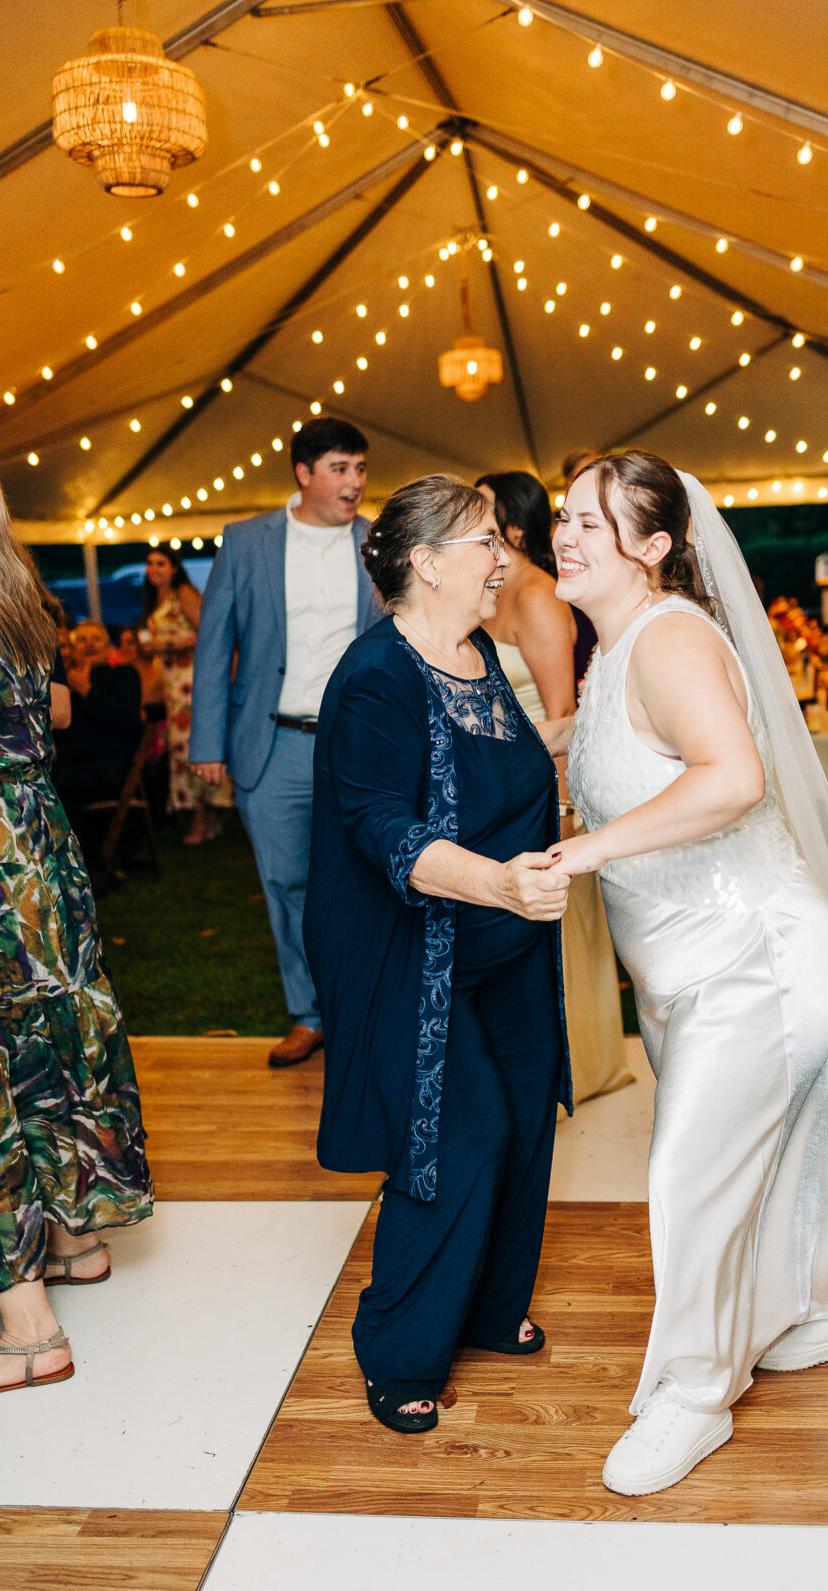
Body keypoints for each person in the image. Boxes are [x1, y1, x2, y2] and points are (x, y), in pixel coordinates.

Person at [548, 451, 828, 1497]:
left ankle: (693, 1394)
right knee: (781, 1143)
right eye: (562, 515)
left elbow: (733, 778)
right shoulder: (609, 648)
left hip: (751, 951)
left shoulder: (670, 640)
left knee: (687, 1169)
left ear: (653, 548)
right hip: (682, 958)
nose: (563, 534)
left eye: (590, 523)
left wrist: (590, 853)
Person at [304, 475, 572, 1433]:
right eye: (485, 543)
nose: (504, 558)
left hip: (503, 938)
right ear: (424, 562)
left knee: (526, 1114)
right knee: (456, 1133)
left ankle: (491, 1310)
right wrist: (498, 881)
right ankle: (399, 1348)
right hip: (410, 943)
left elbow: (498, 774)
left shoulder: (479, 650)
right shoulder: (376, 673)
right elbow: (381, 823)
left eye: (501, 541)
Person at [0, 438, 152, 1401]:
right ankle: (75, 1242)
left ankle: (27, 1329)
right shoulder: (14, 593)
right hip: (36, 847)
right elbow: (61, 711)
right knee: (42, 1041)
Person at [190, 418, 384, 1067]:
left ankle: (359, 1009)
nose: (354, 482)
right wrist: (205, 742)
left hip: (356, 746)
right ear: (303, 474)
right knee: (286, 883)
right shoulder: (246, 541)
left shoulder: (376, 542)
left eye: (359, 468)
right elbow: (215, 642)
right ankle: (307, 1014)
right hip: (271, 745)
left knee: (367, 881)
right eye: (339, 468)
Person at [476, 470, 629, 1107]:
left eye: (478, 512)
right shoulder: (488, 593)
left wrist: (561, 811)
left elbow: (563, 711)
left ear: (510, 528)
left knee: (559, 930)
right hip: (497, 785)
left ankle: (579, 1064)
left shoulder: (539, 598)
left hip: (543, 788)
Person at [140, 547, 233, 847]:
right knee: (181, 748)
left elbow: (209, 630)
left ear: (174, 567)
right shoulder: (158, 599)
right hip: (171, 685)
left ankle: (201, 815)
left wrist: (164, 646)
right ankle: (210, 818)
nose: (154, 569)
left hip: (192, 682)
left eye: (160, 563)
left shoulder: (183, 593)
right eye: (150, 564)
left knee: (193, 748)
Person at [52, 620, 143, 874]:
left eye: (96, 639)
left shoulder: (124, 675)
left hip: (108, 768)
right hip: (74, 764)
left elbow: (125, 721)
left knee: (56, 787)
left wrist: (87, 689)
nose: (89, 644)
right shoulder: (66, 683)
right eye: (82, 639)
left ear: (108, 646)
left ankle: (92, 868)